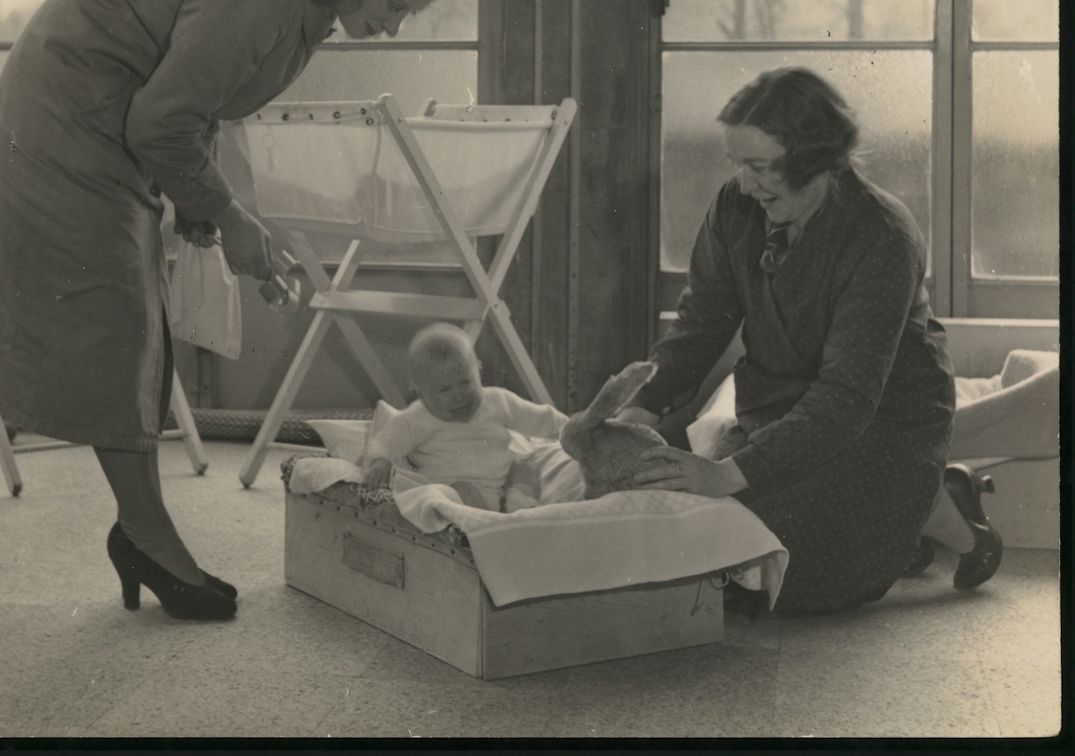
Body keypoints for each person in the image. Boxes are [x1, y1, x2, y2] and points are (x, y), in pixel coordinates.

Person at [0, 0, 457, 621]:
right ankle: (146, 535)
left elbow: (192, 101)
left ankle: (140, 534)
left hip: (110, 111)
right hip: (67, 106)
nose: (395, 26)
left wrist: (202, 202)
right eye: (395, 5)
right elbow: (161, 120)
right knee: (115, 319)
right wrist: (229, 214)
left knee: (132, 322)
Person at [607, 67, 1002, 616]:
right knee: (726, 549)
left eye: (760, 167)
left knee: (773, 577)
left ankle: (939, 504)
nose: (744, 184)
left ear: (817, 159)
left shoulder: (883, 234)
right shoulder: (736, 206)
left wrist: (724, 474)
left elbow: (845, 399)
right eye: (737, 165)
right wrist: (639, 411)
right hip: (778, 410)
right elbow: (700, 325)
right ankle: (897, 522)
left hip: (883, 421)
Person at [363, 323, 567, 511]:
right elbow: (386, 441)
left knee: (527, 468)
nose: (459, 396)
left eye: (466, 383)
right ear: (420, 391)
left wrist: (571, 427)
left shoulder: (497, 401)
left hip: (501, 487)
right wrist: (380, 461)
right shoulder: (417, 418)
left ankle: (517, 507)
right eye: (444, 390)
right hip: (456, 491)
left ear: (478, 369)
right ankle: (481, 522)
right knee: (456, 491)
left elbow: (542, 419)